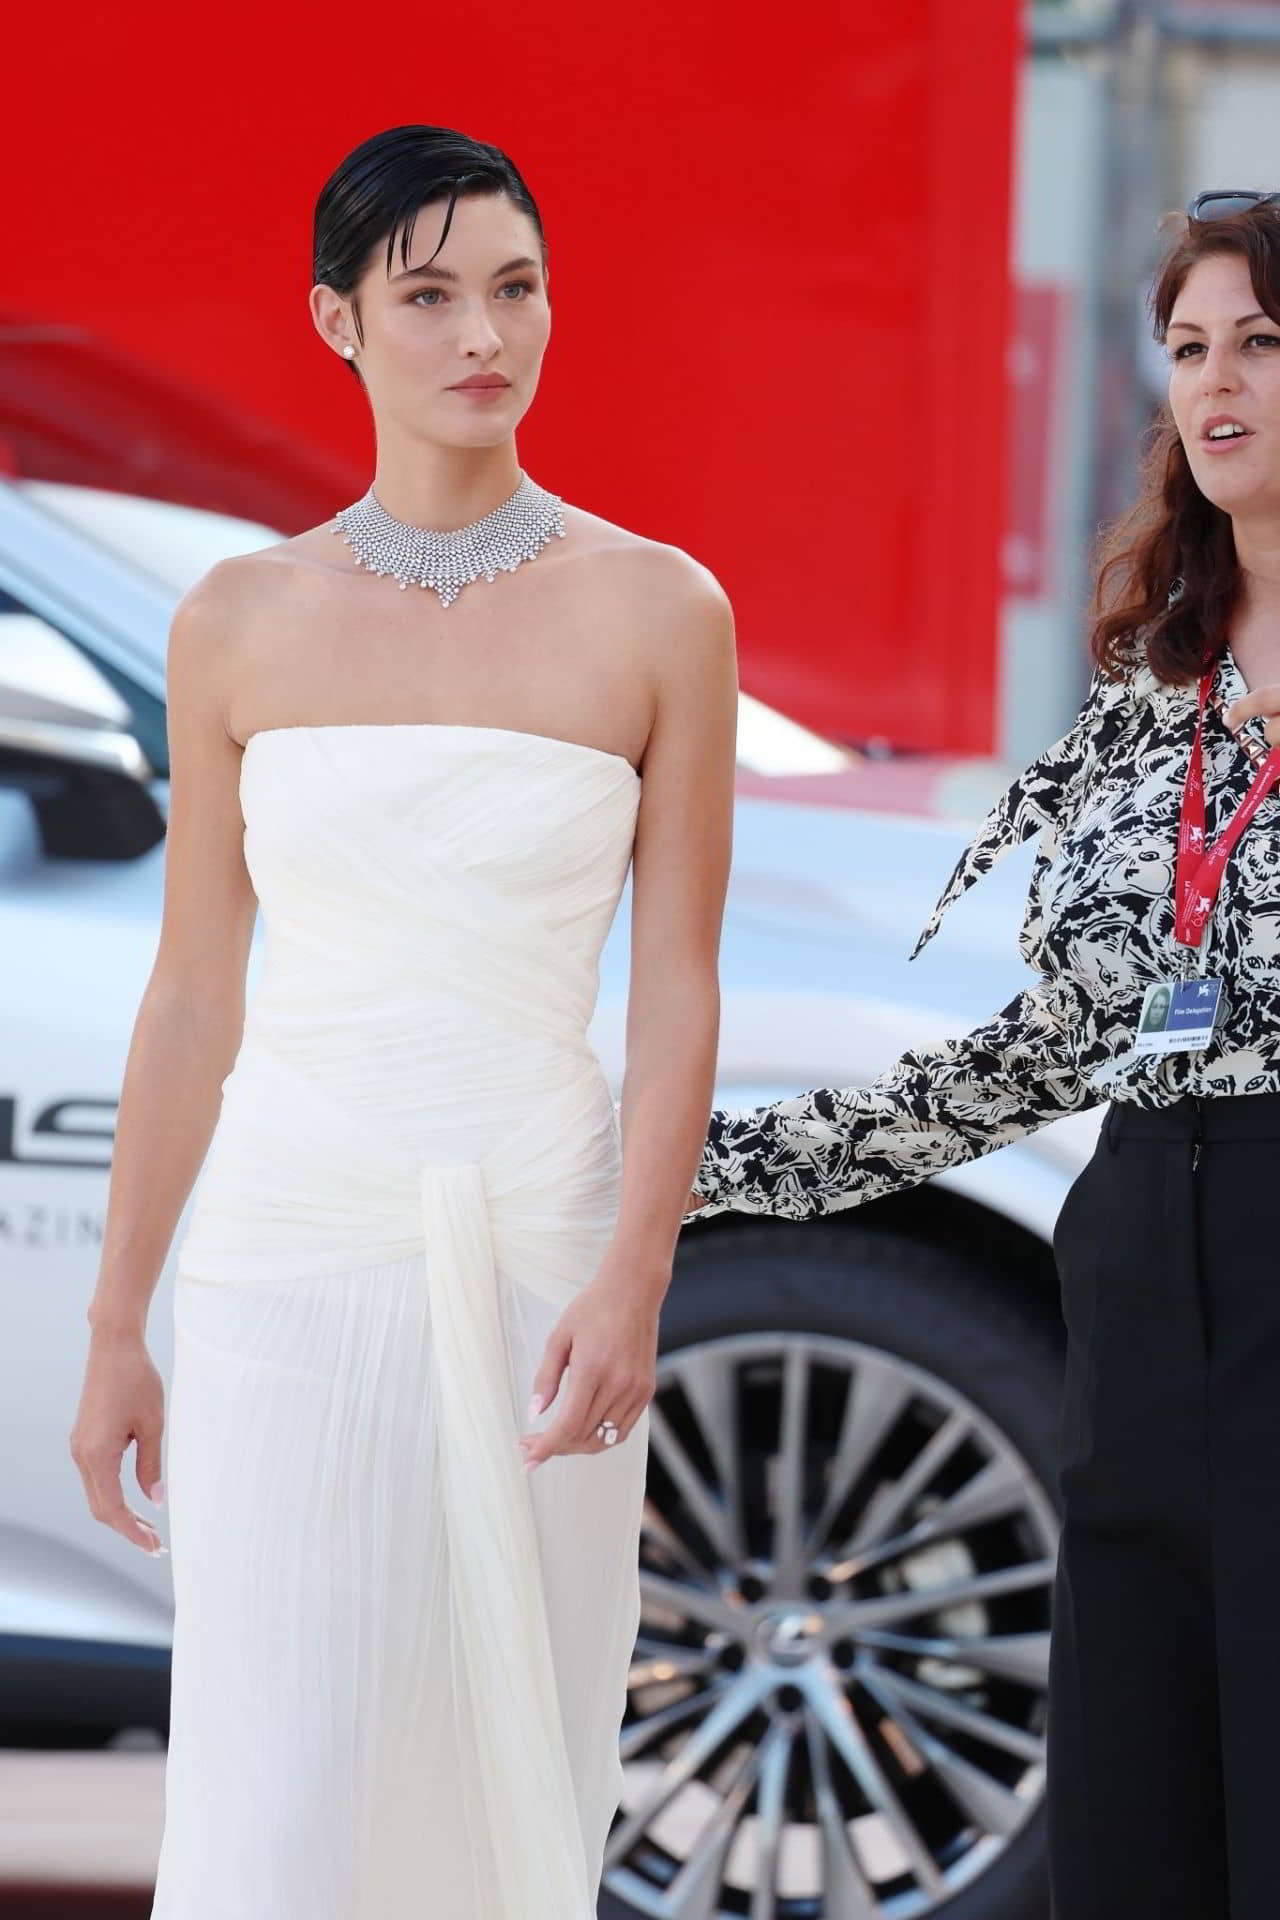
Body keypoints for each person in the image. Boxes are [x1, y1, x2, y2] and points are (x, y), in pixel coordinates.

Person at [69, 124, 736, 1919]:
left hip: (543, 1240)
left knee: (506, 1756)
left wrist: (637, 1276)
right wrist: (118, 1319)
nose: (480, 335)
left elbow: (678, 987)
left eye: (513, 288)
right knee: (282, 1780)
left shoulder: (663, 612)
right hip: (285, 1250)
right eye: (426, 294)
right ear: (336, 323)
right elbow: (193, 992)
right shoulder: (241, 616)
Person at [685, 191, 1280, 1920]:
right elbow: (1044, 1048)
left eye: (1261, 340)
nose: (1218, 383)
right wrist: (725, 1168)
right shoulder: (1152, 692)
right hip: (1138, 1273)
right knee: (1137, 1820)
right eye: (1187, 347)